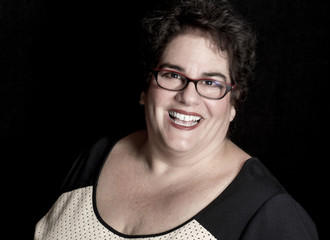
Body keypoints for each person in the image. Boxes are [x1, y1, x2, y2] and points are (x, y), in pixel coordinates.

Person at [34, 0, 318, 239]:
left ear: (234, 102)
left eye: (211, 83)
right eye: (173, 75)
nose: (188, 97)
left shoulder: (269, 213)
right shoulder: (95, 157)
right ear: (146, 89)